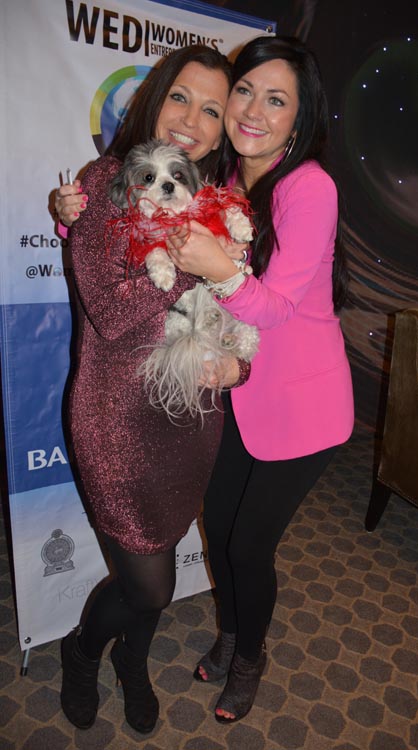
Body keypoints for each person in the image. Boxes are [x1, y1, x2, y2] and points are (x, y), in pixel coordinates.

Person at [57, 45, 249, 734]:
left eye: (211, 110)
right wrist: (198, 264)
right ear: (154, 94)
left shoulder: (215, 198)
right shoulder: (104, 182)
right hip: (115, 417)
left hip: (190, 417)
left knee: (156, 570)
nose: (192, 120)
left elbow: (248, 307)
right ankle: (81, 655)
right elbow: (109, 314)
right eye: (181, 98)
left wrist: (240, 365)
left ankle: (131, 662)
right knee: (150, 581)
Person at [167, 35, 354, 723]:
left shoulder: (310, 187)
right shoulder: (221, 181)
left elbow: (272, 309)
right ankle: (228, 634)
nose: (252, 109)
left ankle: (249, 659)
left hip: (304, 410)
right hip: (238, 393)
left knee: (250, 545)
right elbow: (145, 221)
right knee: (219, 529)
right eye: (244, 90)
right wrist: (72, 227)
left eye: (276, 100)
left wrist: (220, 268)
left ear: (300, 120)